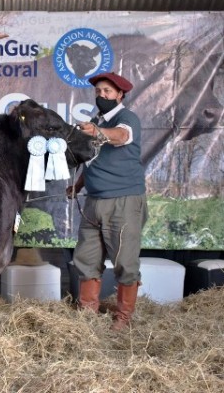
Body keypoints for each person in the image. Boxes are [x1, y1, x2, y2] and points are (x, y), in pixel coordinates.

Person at [66, 72, 148, 331]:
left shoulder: (127, 119)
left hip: (123, 200)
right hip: (93, 201)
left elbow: (121, 136)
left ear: (120, 95)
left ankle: (123, 319)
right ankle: (87, 314)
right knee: (87, 259)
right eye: (99, 91)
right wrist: (77, 185)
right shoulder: (96, 120)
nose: (102, 95)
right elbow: (93, 161)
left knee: (125, 261)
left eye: (107, 92)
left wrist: (97, 131)